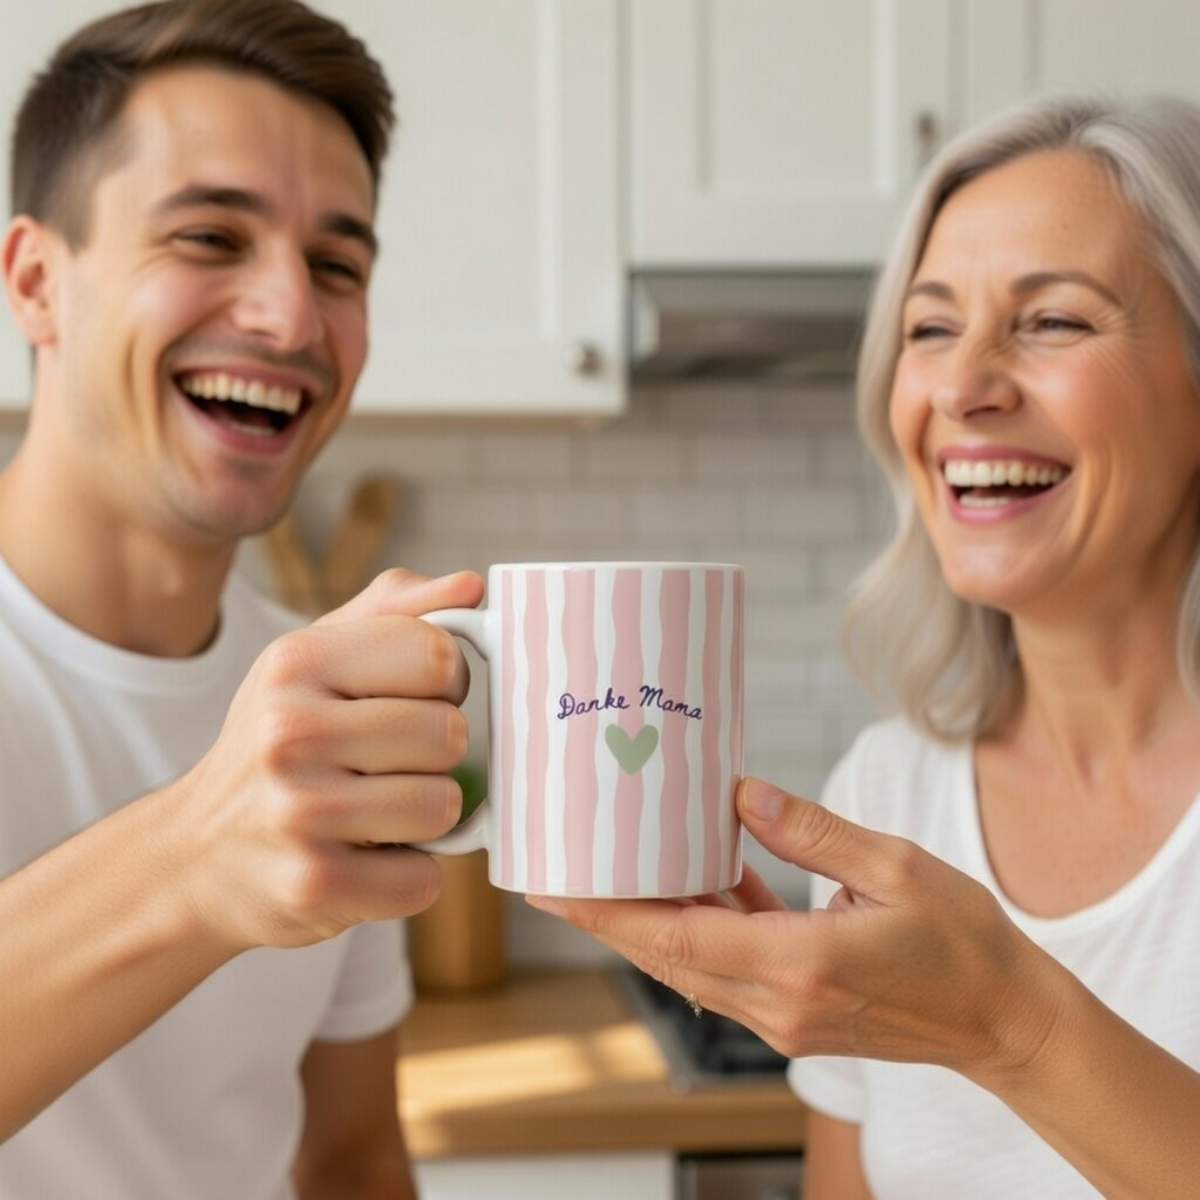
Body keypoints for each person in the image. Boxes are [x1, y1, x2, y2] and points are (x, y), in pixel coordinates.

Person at [529, 93, 1200, 1199]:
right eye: (930, 329)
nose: (963, 388)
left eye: (1056, 321)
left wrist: (1008, 1026)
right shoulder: (889, 791)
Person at [0, 1, 484, 1196]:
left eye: (337, 265)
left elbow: (353, 1154)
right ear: (35, 280)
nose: (292, 316)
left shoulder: (324, 705)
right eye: (211, 237)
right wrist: (195, 860)